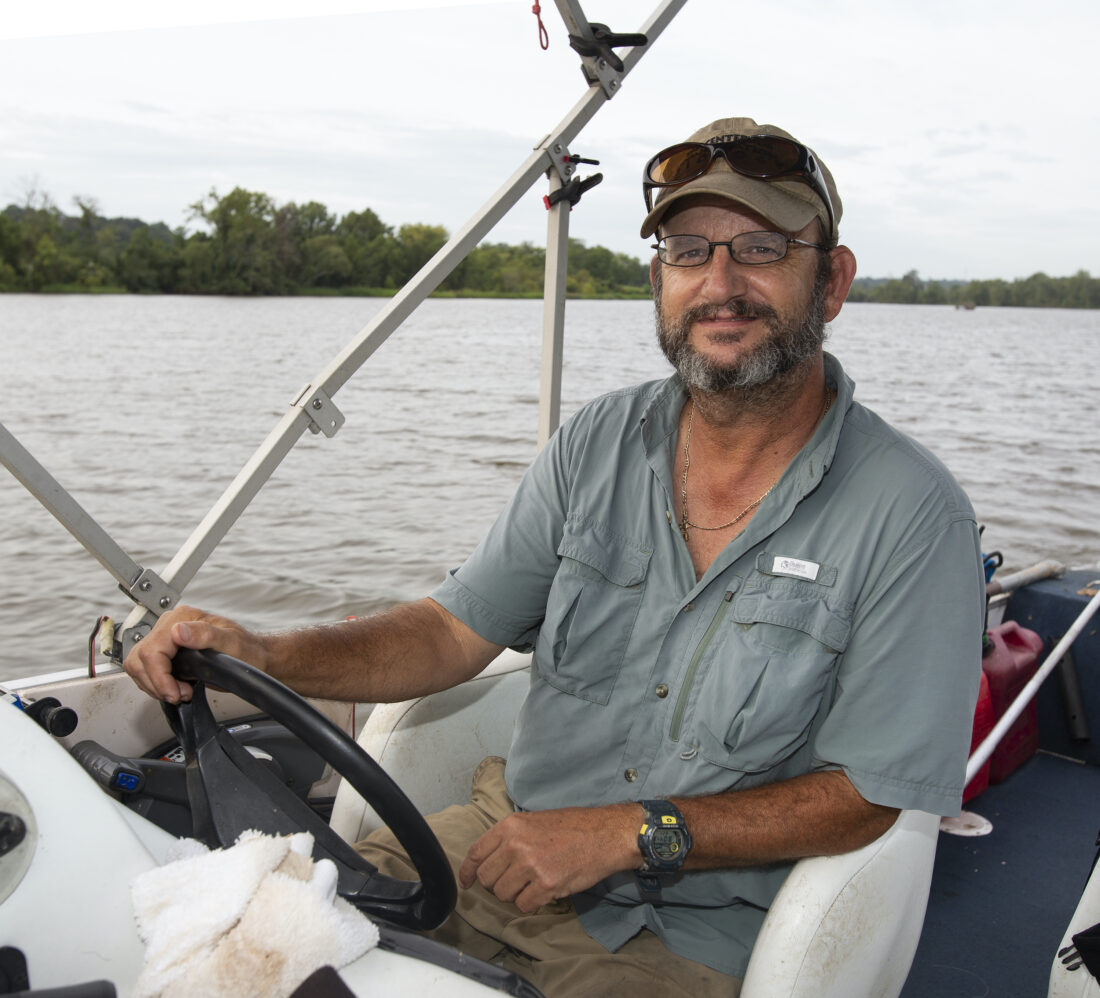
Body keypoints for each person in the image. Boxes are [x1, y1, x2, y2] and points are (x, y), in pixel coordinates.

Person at [125, 117, 985, 997]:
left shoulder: (914, 516)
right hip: (495, 848)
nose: (720, 284)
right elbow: (448, 633)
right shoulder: (596, 442)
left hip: (689, 934)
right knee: (234, 951)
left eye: (761, 248)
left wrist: (632, 832)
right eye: (689, 252)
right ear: (658, 282)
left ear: (831, 282)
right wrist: (263, 654)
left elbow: (870, 794)